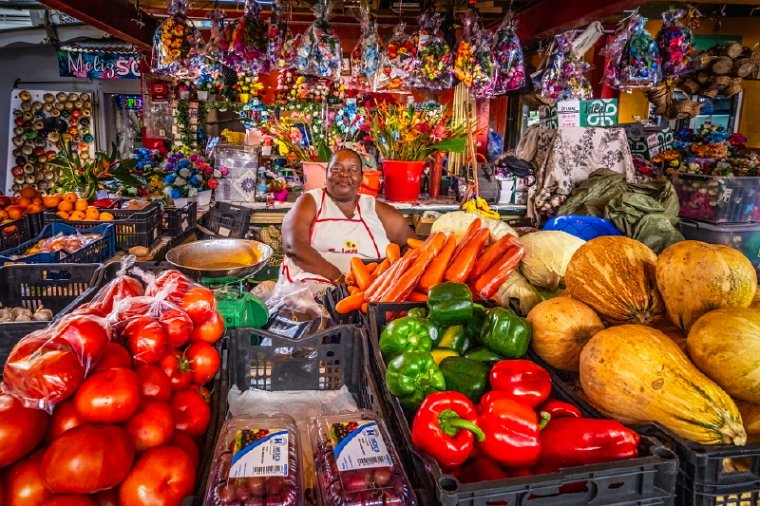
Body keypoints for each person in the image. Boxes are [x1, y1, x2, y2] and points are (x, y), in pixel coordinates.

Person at [278, 148, 416, 292]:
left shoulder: (376, 209)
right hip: (310, 294)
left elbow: (414, 247)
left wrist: (395, 276)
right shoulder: (312, 201)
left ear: (361, 178)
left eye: (353, 170)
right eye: (337, 169)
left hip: (370, 294)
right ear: (327, 174)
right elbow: (293, 246)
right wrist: (339, 279)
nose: (344, 174)